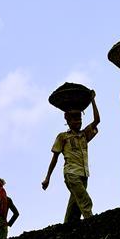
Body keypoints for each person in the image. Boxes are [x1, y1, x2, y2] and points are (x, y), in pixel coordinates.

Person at [42, 90, 100, 223]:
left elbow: (97, 120)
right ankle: (92, 223)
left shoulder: (84, 135)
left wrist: (92, 100)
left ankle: (66, 228)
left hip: (84, 174)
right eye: (74, 119)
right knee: (85, 200)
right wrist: (47, 178)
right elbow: (54, 158)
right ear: (68, 121)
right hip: (71, 173)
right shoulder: (63, 137)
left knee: (75, 206)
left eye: (79, 118)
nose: (78, 121)